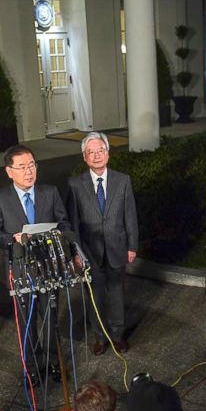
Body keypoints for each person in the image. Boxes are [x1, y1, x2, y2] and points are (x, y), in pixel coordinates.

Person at [0, 144, 73, 372]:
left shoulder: (50, 192)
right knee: (27, 322)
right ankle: (32, 367)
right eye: (22, 167)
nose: (29, 172)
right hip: (20, 268)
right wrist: (12, 238)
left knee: (51, 316)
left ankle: (54, 363)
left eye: (32, 165)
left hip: (48, 266)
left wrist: (59, 233)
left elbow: (64, 222)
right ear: (9, 171)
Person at [67, 133, 138, 354]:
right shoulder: (75, 184)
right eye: (91, 152)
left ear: (108, 153)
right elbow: (72, 223)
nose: (96, 156)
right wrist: (75, 252)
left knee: (117, 294)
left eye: (100, 151)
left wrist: (132, 246)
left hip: (117, 248)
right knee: (94, 297)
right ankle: (100, 336)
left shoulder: (122, 180)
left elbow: (130, 215)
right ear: (84, 157)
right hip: (89, 251)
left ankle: (117, 335)